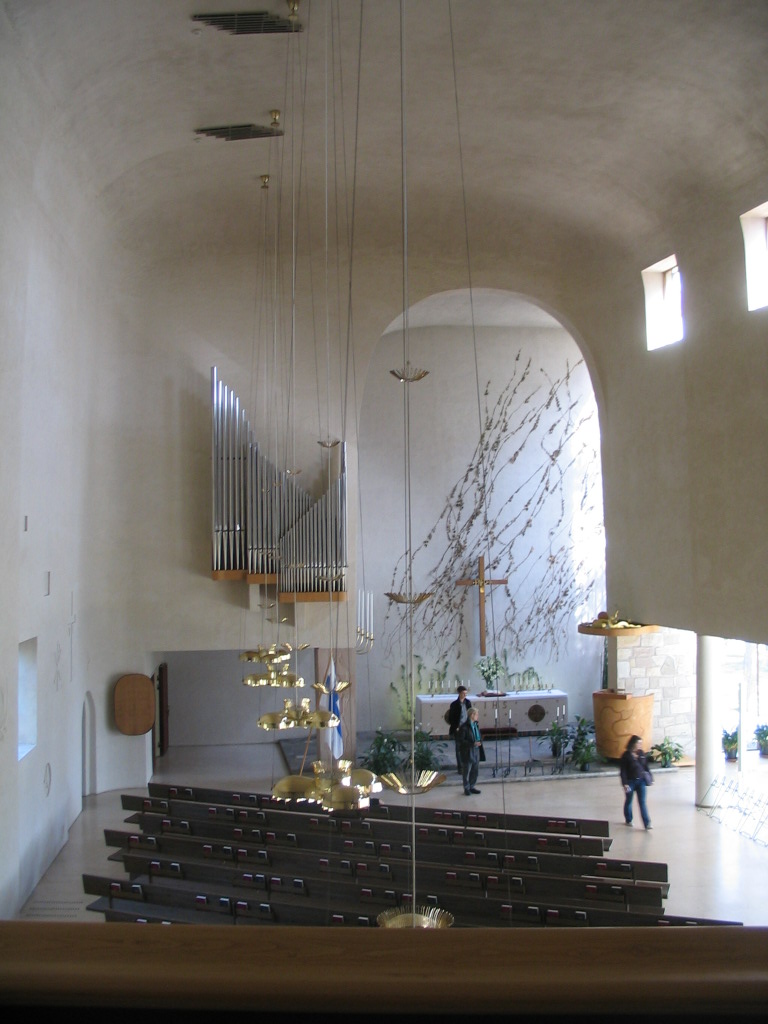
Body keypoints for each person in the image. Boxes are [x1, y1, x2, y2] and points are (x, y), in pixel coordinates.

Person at [619, 734, 652, 829]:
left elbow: (646, 767)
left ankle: (647, 823)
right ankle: (628, 819)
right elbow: (623, 771)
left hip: (641, 781)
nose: (640, 745)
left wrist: (650, 777)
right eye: (638, 743)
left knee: (642, 802)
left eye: (641, 743)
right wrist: (625, 783)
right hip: (630, 782)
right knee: (629, 800)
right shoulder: (626, 755)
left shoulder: (641, 753)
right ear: (633, 744)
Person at [458, 707, 485, 795]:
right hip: (468, 751)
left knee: (475, 770)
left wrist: (480, 741)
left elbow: (478, 735)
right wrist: (472, 743)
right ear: (472, 715)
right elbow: (461, 740)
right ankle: (466, 788)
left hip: (476, 750)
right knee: (467, 770)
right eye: (476, 714)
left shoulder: (476, 725)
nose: (477, 716)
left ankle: (472, 786)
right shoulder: (464, 727)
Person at [447, 685, 472, 773]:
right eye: (463, 693)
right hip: (458, 728)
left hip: (467, 728)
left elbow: (470, 714)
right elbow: (452, 718)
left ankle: (466, 766)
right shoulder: (454, 704)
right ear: (459, 693)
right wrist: (456, 727)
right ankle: (460, 767)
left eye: (466, 693)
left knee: (467, 748)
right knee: (458, 748)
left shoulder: (468, 703)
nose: (465, 695)